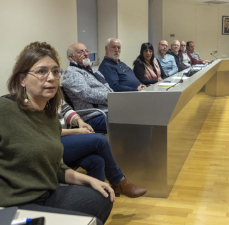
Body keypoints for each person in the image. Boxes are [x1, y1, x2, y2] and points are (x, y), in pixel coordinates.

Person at [0, 42, 113, 225]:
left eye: (55, 72)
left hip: (47, 194)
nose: (51, 78)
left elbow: (56, 168)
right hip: (12, 205)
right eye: (41, 71)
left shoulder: (50, 116)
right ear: (22, 79)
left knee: (104, 196)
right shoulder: (4, 110)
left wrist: (90, 180)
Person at [59, 101, 146, 198]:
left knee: (97, 161)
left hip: (63, 138)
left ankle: (94, 202)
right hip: (51, 144)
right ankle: (118, 181)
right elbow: (48, 130)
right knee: (100, 140)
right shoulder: (40, 103)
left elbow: (65, 109)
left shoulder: (53, 96)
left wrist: (80, 122)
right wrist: (77, 131)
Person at [61, 43, 111, 132]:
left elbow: (108, 89)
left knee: (136, 115)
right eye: (80, 52)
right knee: (130, 119)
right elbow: (86, 94)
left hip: (108, 110)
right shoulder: (72, 72)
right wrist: (111, 98)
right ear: (71, 57)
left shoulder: (93, 71)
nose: (86, 54)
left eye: (86, 51)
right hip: (93, 116)